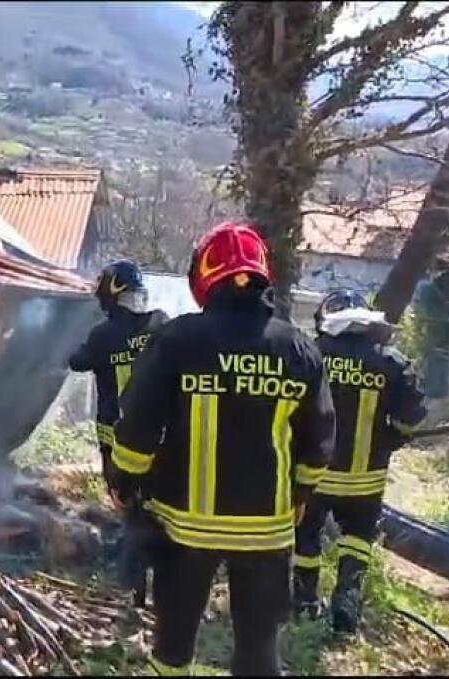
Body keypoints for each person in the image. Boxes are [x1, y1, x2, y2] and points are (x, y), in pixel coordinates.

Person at [112, 221, 336, 676]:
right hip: (267, 533)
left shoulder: (176, 340)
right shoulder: (297, 347)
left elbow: (137, 428)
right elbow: (318, 443)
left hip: (184, 532)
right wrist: (299, 496)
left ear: (205, 274)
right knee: (258, 654)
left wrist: (124, 483)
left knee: (172, 651)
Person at [294, 288, 427, 634]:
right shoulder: (392, 361)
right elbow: (409, 419)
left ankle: (305, 601)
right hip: (366, 479)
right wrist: (394, 436)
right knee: (358, 538)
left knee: (305, 536)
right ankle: (347, 602)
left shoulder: (311, 355)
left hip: (315, 475)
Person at [68, 260, 169, 500]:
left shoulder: (102, 335)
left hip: (115, 438)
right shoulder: (160, 324)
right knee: (154, 497)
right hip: (157, 435)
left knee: (122, 498)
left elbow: (77, 361)